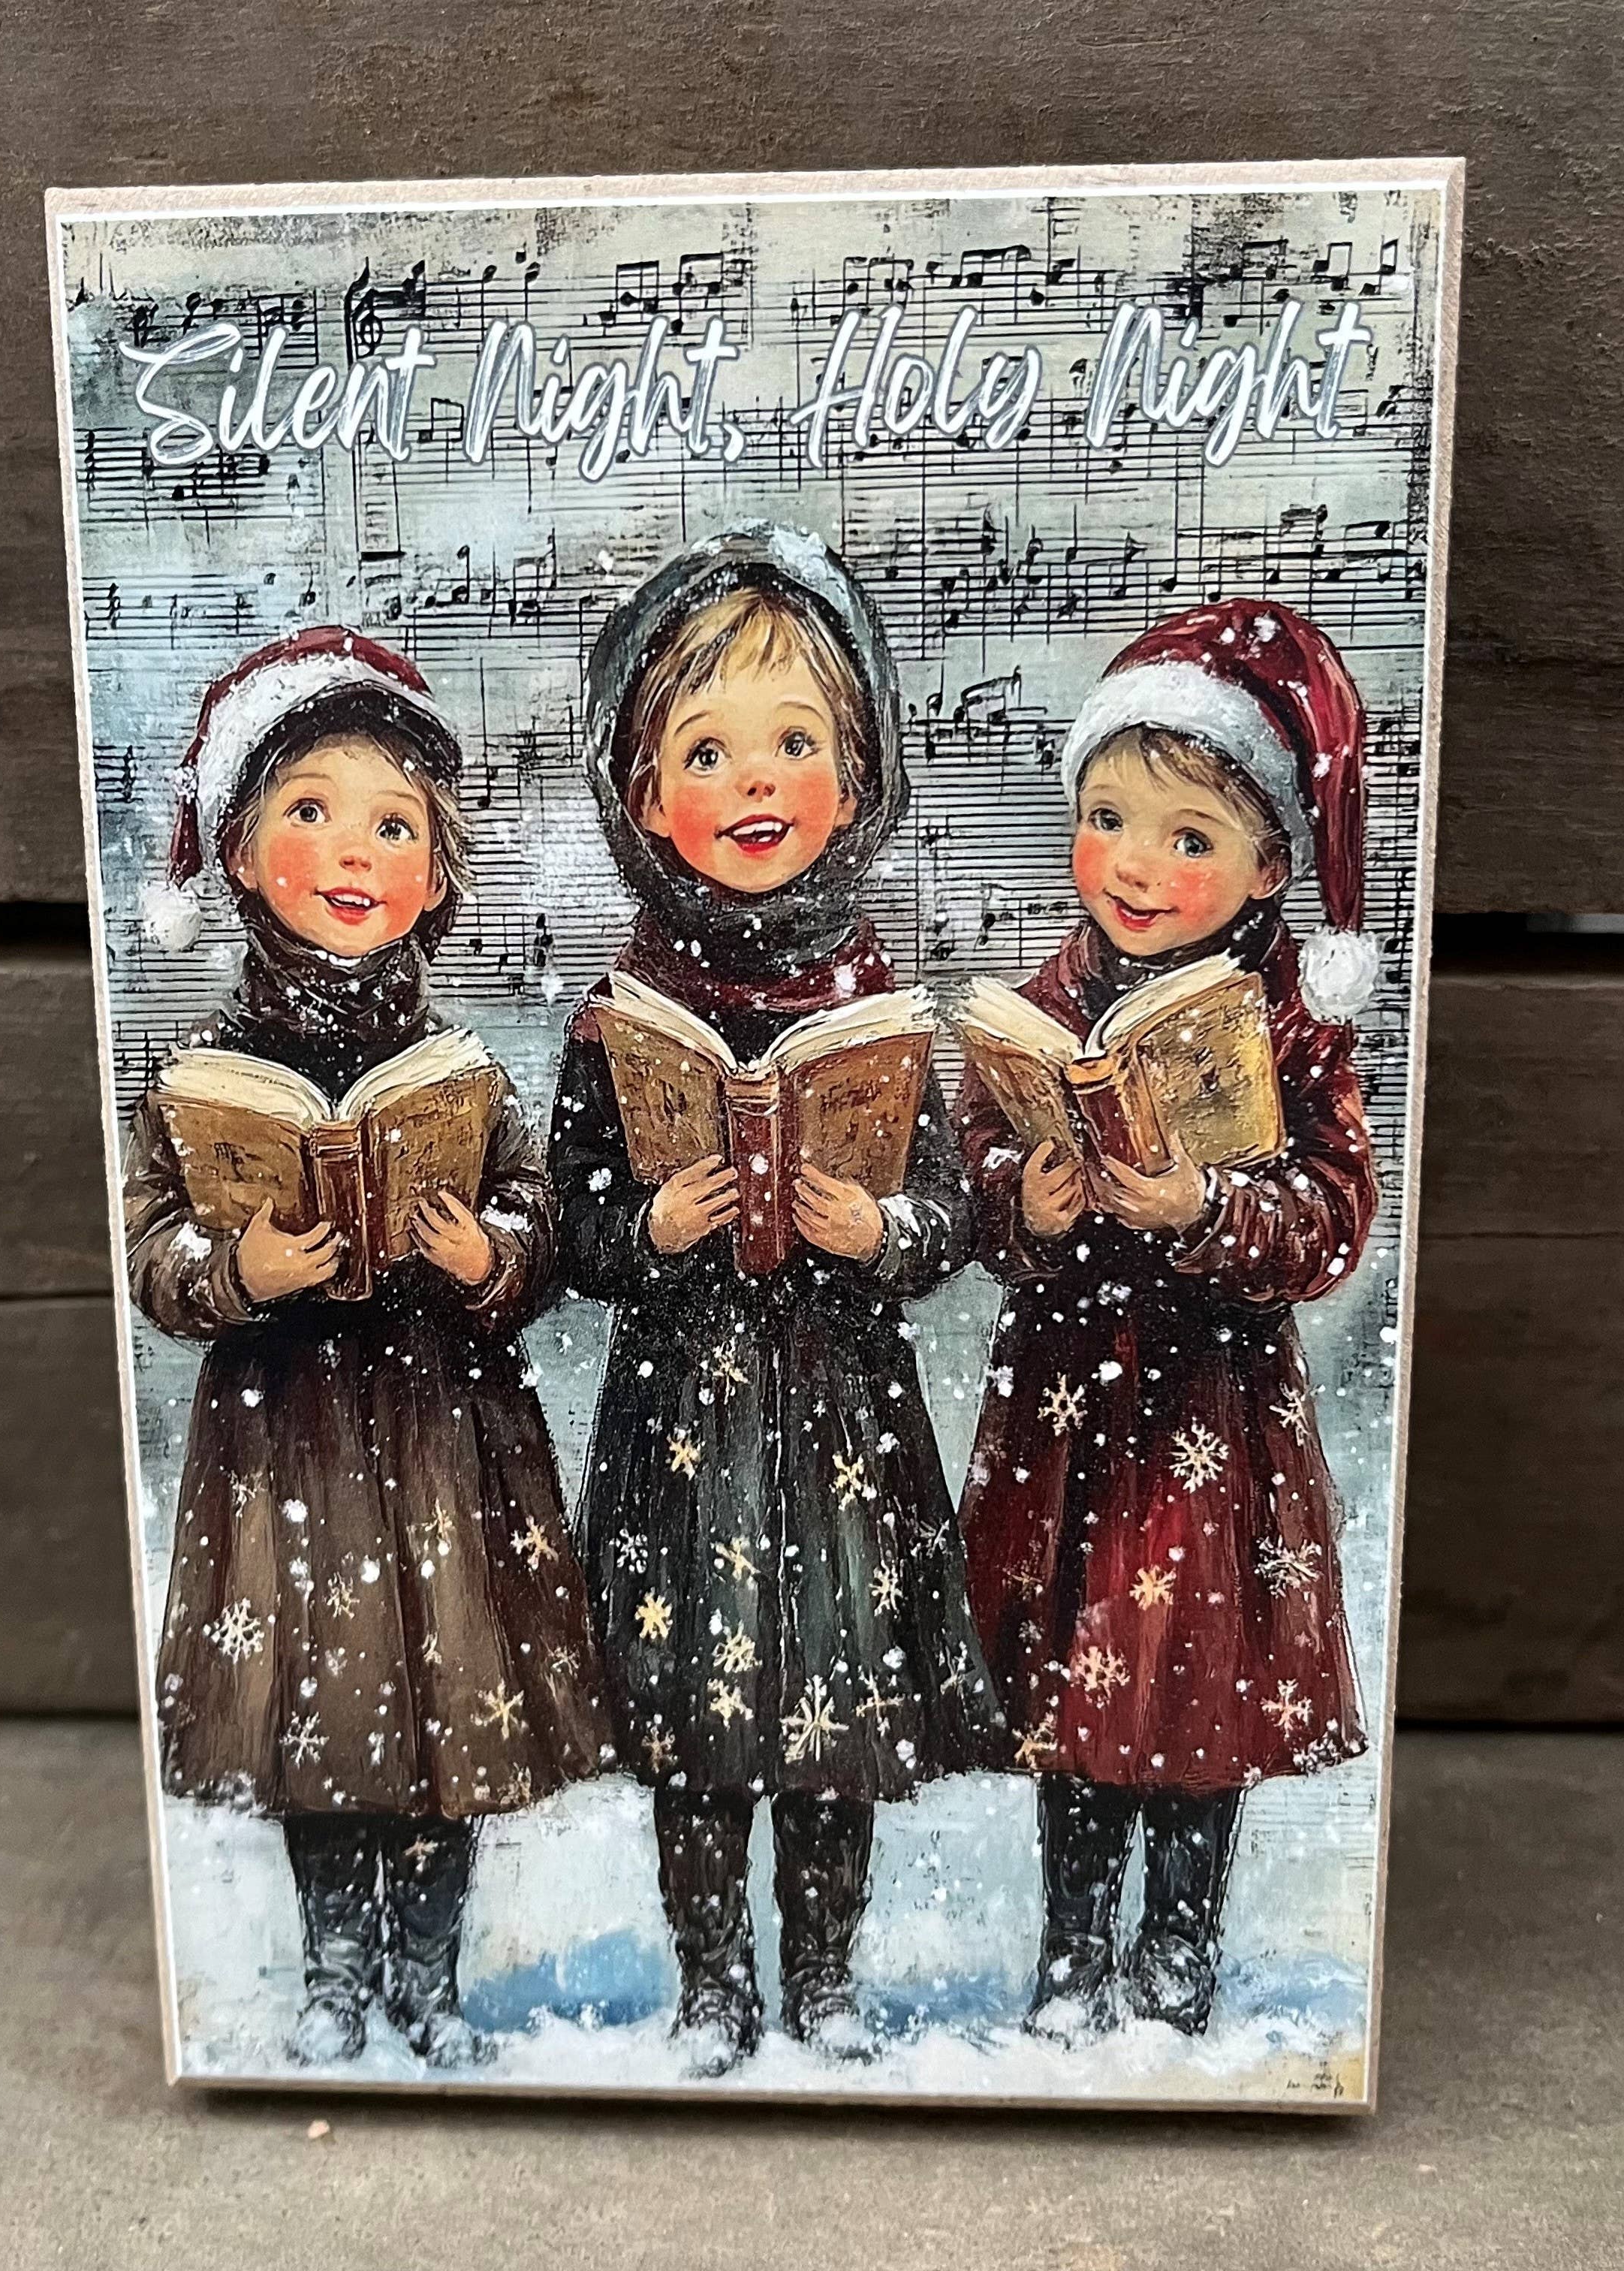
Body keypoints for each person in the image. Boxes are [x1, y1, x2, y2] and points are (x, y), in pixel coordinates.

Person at [549, 526, 1005, 2077]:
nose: (756, 781)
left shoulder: (880, 1009)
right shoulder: (618, 1015)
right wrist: (650, 1223)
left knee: (831, 1704)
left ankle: (821, 1977)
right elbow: (574, 1227)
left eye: (797, 742)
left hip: (839, 1421)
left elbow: (949, 1214)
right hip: (683, 1423)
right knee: (695, 1716)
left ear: (858, 773)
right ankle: (712, 1982)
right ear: (642, 796)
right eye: (707, 750)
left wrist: (877, 1226)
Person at [125, 626, 607, 2069]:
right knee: (322, 1714)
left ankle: (430, 1977)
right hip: (288, 1439)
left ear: (438, 873)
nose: (354, 850)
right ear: (241, 849)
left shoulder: (463, 1069)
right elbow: (152, 1251)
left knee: (447, 1703)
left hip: (444, 1435)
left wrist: (487, 1254)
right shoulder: (199, 1075)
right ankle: (335, 1969)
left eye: (395, 825)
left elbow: (536, 1222)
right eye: (311, 811)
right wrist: (240, 1269)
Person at [954, 598, 1380, 2044]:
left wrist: (1208, 1208)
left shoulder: (1296, 1028)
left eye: (1189, 837)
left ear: (1270, 865)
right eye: (1108, 821)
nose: (1136, 865)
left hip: (1211, 1407)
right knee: (1076, 1686)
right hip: (1070, 1404)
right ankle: (1076, 1949)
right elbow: (978, 1164)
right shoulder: (1045, 1000)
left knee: (1198, 1687)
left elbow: (1333, 1218)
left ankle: (1180, 1947)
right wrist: (1028, 1197)